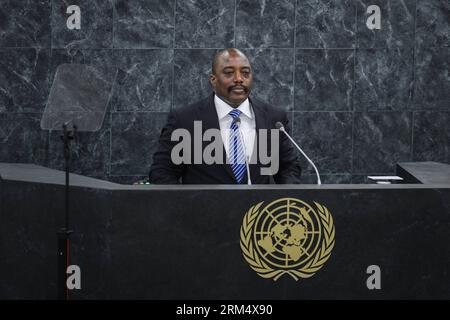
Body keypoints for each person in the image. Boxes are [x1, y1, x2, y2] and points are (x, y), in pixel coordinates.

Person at [149, 48, 301, 184]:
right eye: (229, 73)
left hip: (259, 213)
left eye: (245, 73)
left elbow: (289, 168)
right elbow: (162, 173)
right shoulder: (184, 120)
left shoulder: (274, 119)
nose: (239, 79)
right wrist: (186, 209)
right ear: (213, 80)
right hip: (203, 213)